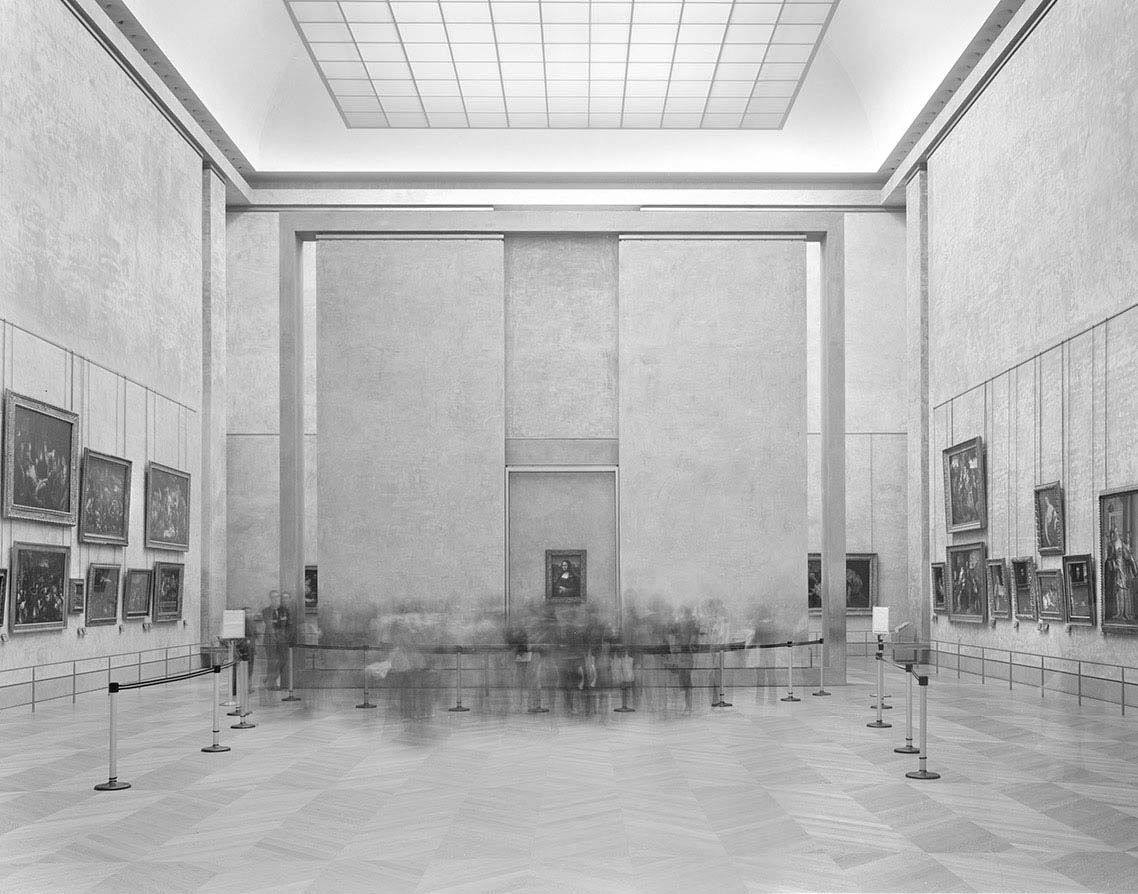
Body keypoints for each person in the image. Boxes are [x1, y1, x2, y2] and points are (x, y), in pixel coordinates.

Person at [1106, 526, 1138, 621]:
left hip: (1124, 571)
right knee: (1118, 591)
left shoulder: (1123, 545)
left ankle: (1127, 613)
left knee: (1124, 591)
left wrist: (1134, 571)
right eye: (1112, 534)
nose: (1113, 536)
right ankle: (1119, 612)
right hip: (1117, 572)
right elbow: (1110, 559)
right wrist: (1113, 564)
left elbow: (1130, 558)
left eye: (1114, 534)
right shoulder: (1112, 545)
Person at [270, 592, 294, 689]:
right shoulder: (278, 611)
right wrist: (280, 637)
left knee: (288, 660)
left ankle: (286, 683)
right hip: (282, 639)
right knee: (282, 659)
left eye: (287, 598)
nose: (285, 600)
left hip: (292, 638)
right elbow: (275, 626)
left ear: (290, 599)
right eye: (283, 598)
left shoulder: (292, 610)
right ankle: (274, 679)